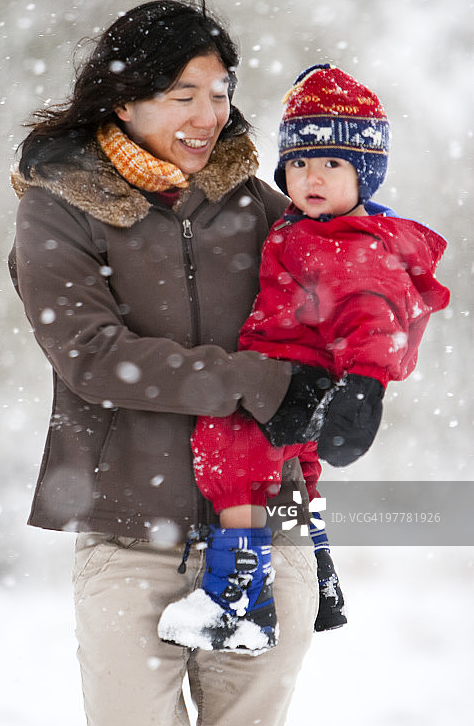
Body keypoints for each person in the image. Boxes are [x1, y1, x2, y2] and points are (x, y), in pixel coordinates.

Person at [8, 0, 319, 726]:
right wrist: (255, 382)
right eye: (182, 95)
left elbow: (323, 329)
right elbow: (91, 354)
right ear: (123, 101)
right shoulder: (60, 206)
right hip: (129, 534)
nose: (208, 115)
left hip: (263, 523)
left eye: (220, 92)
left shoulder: (256, 206)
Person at [158, 64, 450, 652]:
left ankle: (237, 592)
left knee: (228, 448)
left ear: (364, 174)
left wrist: (365, 387)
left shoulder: (345, 243)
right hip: (302, 380)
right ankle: (320, 567)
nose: (311, 177)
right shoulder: (311, 228)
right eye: (298, 163)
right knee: (302, 475)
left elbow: (372, 317)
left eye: (331, 164)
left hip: (294, 377)